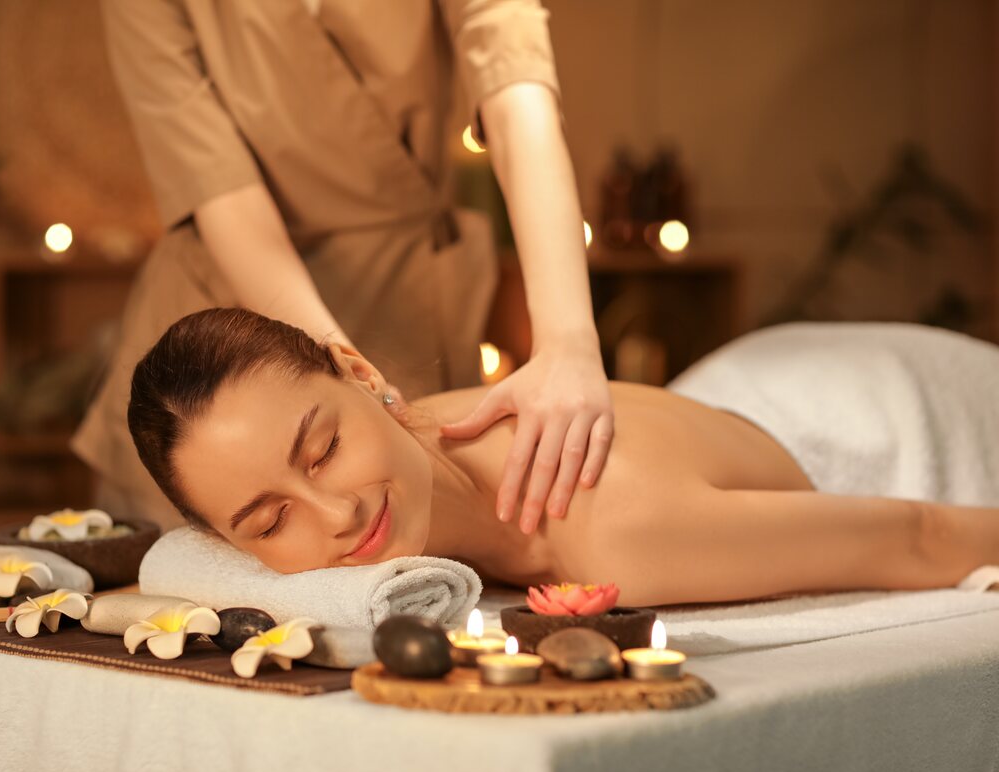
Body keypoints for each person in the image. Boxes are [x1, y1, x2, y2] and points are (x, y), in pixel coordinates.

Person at [74, 0, 614, 537]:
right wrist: (348, 379)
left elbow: (513, 79)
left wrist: (567, 341)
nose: (338, 513)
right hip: (228, 351)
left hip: (408, 306)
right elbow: (227, 199)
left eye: (327, 450)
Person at [126, 308, 999, 607]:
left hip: (894, 415)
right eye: (269, 521)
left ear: (362, 374)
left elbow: (922, 536)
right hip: (728, 394)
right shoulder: (405, 445)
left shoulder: (619, 530)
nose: (338, 515)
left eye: (323, 452)